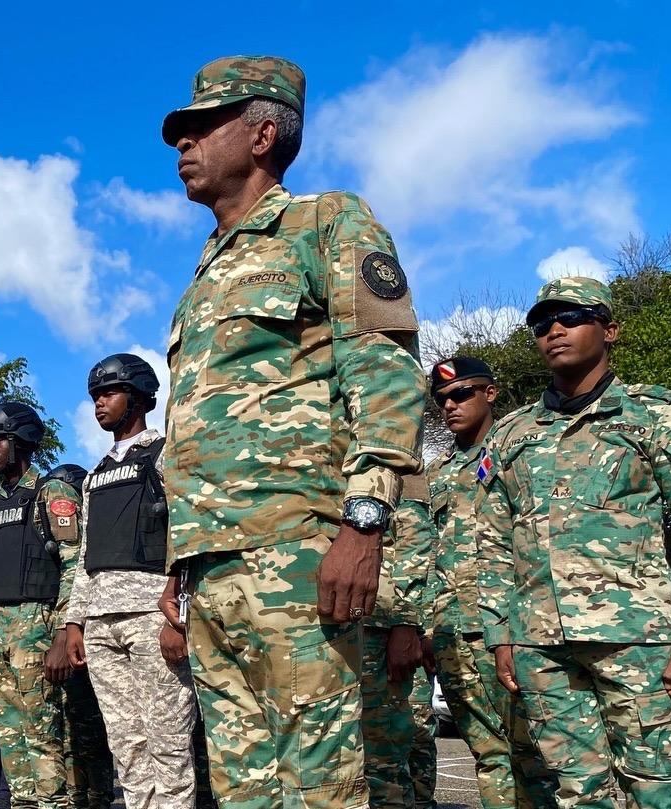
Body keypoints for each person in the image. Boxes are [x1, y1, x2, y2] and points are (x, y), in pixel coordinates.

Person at [160, 55, 427, 807]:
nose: (182, 143)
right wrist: (177, 564)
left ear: (262, 134)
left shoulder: (324, 223)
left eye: (202, 126)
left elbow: (384, 371)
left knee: (318, 786)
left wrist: (364, 522)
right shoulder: (203, 274)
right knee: (242, 789)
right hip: (209, 564)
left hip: (297, 552)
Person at [477, 276, 671, 808]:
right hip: (540, 645)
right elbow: (491, 541)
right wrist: (500, 635)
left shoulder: (657, 418)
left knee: (653, 790)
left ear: (610, 330)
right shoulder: (511, 435)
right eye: (541, 323)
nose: (554, 329)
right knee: (577, 793)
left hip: (639, 641)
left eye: (571, 316)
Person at [64, 353, 197, 809]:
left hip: (150, 616)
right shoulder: (95, 475)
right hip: (101, 622)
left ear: (138, 398)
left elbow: (187, 536)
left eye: (109, 393)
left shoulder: (166, 454)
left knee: (169, 742)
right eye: (95, 396)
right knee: (127, 745)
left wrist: (179, 619)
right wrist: (75, 622)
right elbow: (86, 554)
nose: (99, 403)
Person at [426, 356, 555, 808]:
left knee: (536, 754)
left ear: (490, 393)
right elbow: (427, 552)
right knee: (489, 754)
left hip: (511, 628)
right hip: (453, 633)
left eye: (461, 394)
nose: (450, 405)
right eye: (442, 399)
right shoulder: (437, 473)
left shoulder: (519, 453)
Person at [0, 402, 80, 809]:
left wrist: (62, 633)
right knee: (9, 738)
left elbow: (73, 565)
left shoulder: (51, 493)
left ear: (20, 441)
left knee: (43, 735)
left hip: (36, 625)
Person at [356, 474, 434, 808]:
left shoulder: (399, 471)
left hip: (379, 624)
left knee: (384, 752)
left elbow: (414, 551)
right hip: (339, 618)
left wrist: (406, 622)